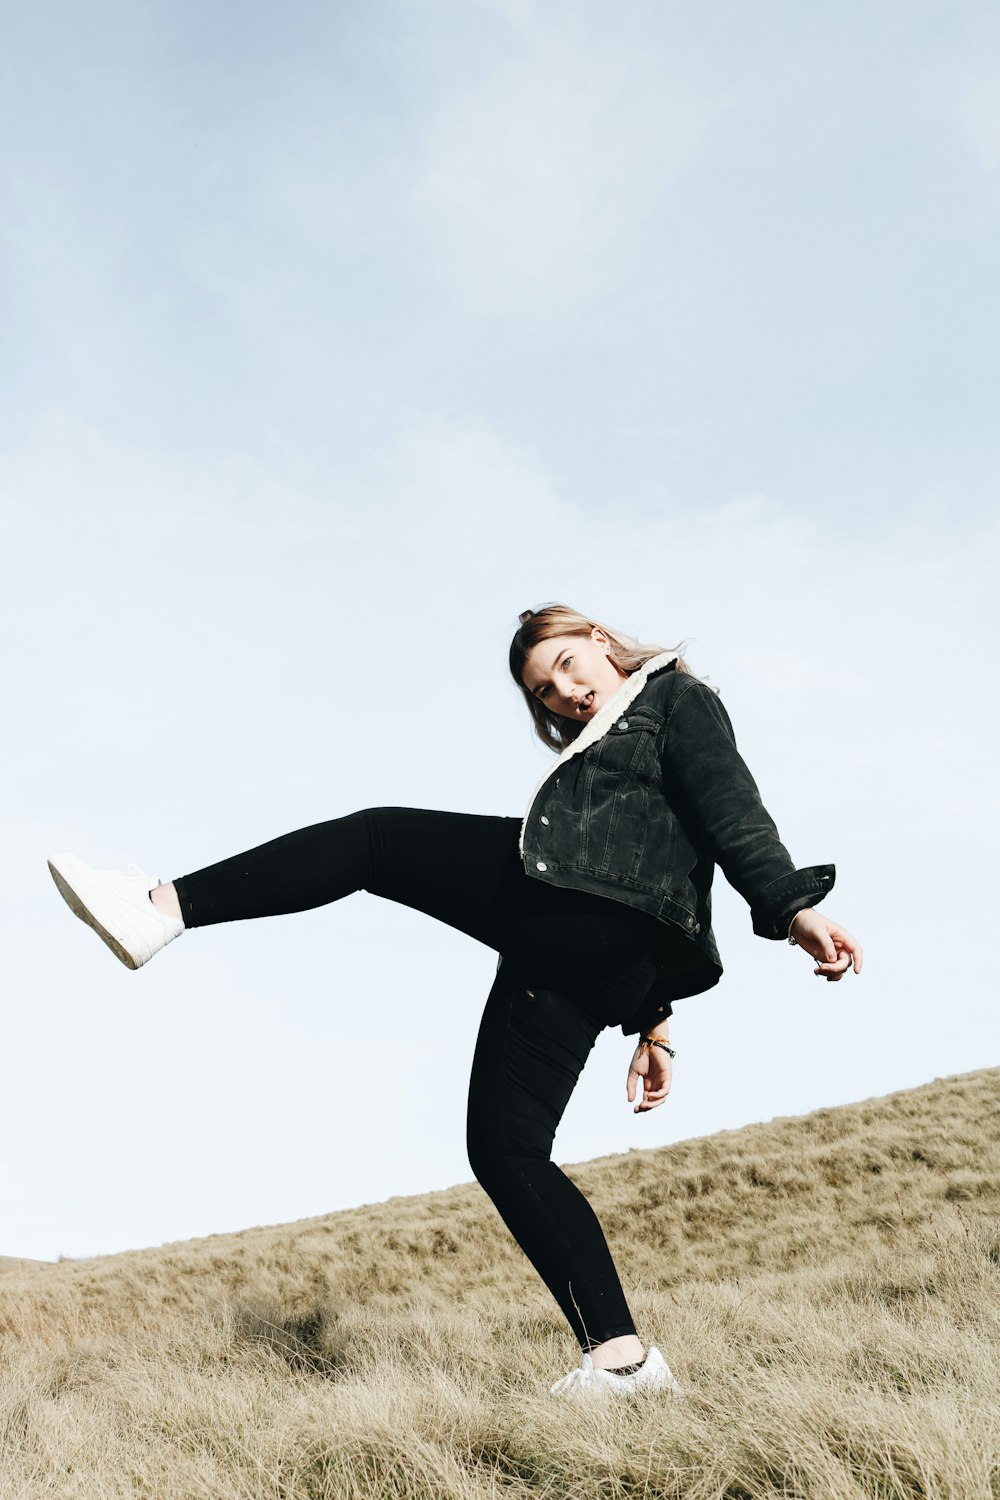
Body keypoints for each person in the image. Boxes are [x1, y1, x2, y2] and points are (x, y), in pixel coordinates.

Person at [47, 603, 862, 1401]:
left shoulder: (673, 698)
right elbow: (666, 864)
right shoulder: (601, 748)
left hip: (577, 910)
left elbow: (728, 814)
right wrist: (654, 1017)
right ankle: (622, 1364)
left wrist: (791, 908)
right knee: (506, 1151)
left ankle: (160, 908)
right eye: (543, 691)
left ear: (602, 640)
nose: (564, 692)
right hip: (596, 954)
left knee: (377, 841)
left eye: (568, 665)